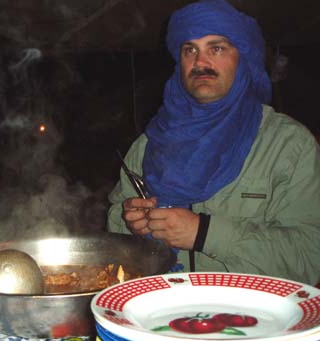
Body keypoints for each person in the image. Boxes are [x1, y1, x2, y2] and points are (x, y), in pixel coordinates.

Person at [107, 0, 320, 285]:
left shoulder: (288, 146)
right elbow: (113, 240)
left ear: (242, 58)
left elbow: (309, 258)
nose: (200, 62)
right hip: (159, 316)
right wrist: (130, 224)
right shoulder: (148, 144)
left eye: (216, 48)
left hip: (253, 322)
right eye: (189, 50)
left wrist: (204, 233)